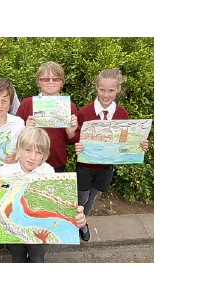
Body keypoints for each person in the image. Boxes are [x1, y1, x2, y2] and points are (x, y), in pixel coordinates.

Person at [0, 127, 87, 263]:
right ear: (18, 149)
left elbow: (56, 205)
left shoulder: (48, 171)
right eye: (28, 150)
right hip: (13, 229)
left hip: (39, 231)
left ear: (45, 154)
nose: (32, 157)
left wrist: (75, 218)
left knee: (37, 257)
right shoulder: (5, 171)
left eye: (39, 152)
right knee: (17, 256)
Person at [75, 68, 149, 242]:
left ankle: (83, 223)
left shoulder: (122, 114)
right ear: (96, 88)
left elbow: (126, 141)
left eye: (111, 90)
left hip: (106, 168)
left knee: (92, 199)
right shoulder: (84, 112)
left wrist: (138, 145)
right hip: (85, 167)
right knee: (82, 197)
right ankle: (76, 221)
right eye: (102, 90)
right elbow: (76, 137)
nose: (106, 95)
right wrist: (77, 145)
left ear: (118, 90)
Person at [16, 61, 79, 173]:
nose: (51, 82)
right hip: (28, 162)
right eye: (45, 79)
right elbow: (15, 134)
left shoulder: (69, 106)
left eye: (56, 79)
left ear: (62, 83)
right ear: (38, 83)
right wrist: (26, 129)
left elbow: (73, 140)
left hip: (56, 161)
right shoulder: (27, 104)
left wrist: (70, 132)